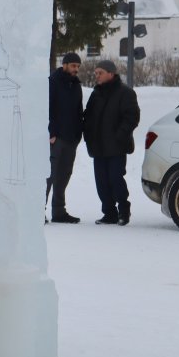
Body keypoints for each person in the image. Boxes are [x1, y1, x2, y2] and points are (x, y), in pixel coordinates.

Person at [83, 60, 140, 226]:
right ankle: (109, 213)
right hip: (98, 146)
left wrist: (119, 136)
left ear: (111, 73)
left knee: (116, 179)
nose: (97, 76)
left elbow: (131, 118)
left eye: (100, 72)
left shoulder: (126, 93)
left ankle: (123, 211)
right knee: (101, 182)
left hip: (116, 147)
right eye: (95, 73)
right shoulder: (96, 93)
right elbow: (88, 116)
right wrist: (88, 134)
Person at [46, 52, 84, 223]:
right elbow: (49, 108)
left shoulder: (76, 84)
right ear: (65, 65)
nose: (76, 69)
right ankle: (39, 211)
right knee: (49, 175)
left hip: (71, 138)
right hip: (57, 138)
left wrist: (78, 134)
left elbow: (78, 110)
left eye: (78, 66)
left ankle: (59, 212)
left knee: (64, 175)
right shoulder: (53, 82)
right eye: (73, 65)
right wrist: (52, 133)